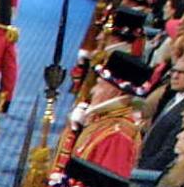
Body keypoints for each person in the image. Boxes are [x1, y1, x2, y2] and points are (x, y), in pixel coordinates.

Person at [56, 50, 149, 180]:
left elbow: (102, 185)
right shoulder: (105, 117)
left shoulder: (118, 135)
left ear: (116, 92)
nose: (93, 90)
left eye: (99, 85)